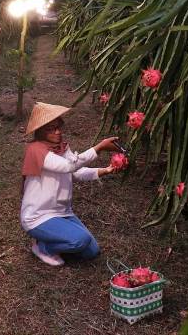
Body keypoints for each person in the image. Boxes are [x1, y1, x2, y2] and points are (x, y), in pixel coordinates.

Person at [20, 102, 122, 266]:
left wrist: (105, 170)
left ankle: (56, 240)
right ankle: (43, 247)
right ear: (40, 131)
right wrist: (99, 148)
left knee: (92, 251)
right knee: (80, 240)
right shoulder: (36, 149)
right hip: (38, 216)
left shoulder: (61, 148)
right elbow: (68, 166)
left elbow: (76, 172)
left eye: (58, 127)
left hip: (62, 212)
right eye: (51, 129)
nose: (58, 132)